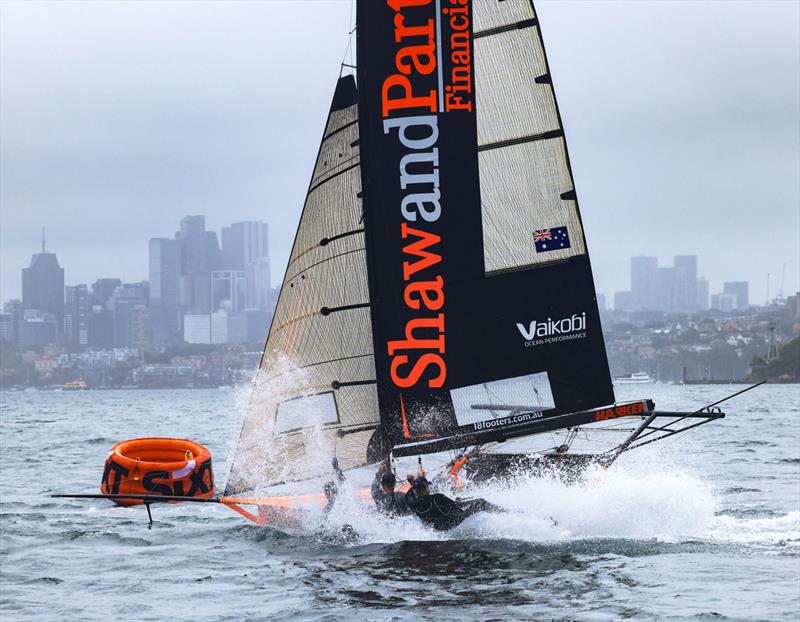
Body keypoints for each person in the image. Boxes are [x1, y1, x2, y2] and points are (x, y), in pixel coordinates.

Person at [408, 476, 503, 531]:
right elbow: (457, 507)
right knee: (481, 502)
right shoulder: (437, 497)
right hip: (451, 523)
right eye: (428, 486)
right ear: (425, 487)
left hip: (438, 528)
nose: (429, 487)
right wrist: (461, 507)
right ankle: (505, 513)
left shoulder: (414, 505)